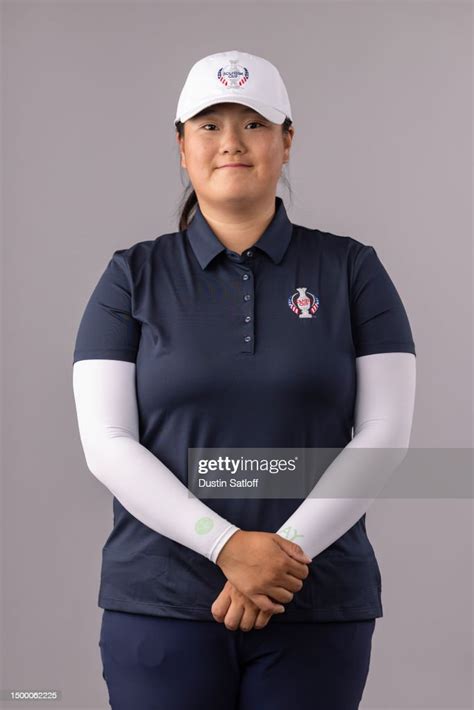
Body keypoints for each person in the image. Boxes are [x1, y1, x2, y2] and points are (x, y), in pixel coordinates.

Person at [72, 49, 416, 710]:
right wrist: (227, 546)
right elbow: (106, 443)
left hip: (315, 601)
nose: (232, 142)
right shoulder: (129, 278)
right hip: (162, 603)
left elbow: (386, 435)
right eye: (209, 125)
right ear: (181, 145)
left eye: (254, 123)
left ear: (287, 141)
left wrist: (281, 556)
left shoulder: (353, 271)